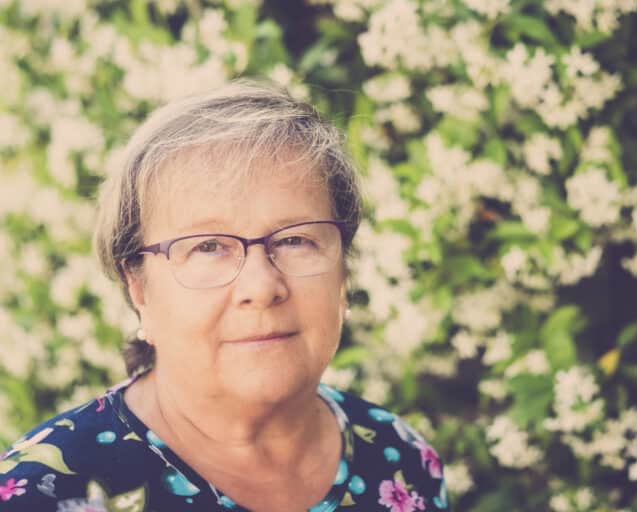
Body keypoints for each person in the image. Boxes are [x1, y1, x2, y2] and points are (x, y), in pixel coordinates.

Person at [0, 80, 449, 511]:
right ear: (139, 288)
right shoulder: (44, 493)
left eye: (295, 240)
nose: (261, 287)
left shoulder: (401, 460)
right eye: (207, 247)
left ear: (343, 271)